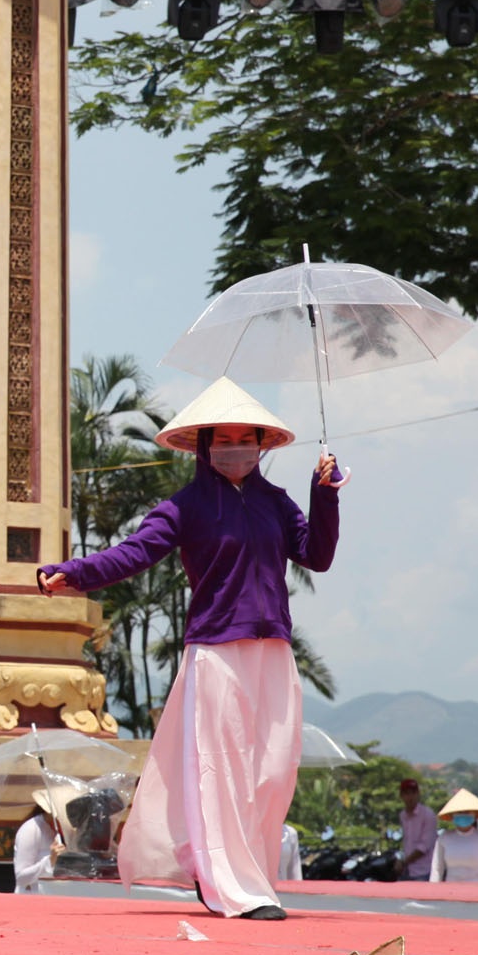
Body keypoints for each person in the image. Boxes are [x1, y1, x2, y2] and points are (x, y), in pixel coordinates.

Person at [38, 378, 341, 920]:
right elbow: (133, 554)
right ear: (203, 447)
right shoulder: (186, 506)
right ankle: (232, 887)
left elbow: (317, 556)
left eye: (244, 439)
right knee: (222, 771)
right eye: (222, 440)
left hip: (273, 648)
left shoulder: (277, 502)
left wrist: (325, 495)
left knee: (272, 773)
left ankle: (236, 873)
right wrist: (73, 574)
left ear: (259, 443)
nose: (234, 449)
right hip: (217, 650)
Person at [430, 788, 478, 883]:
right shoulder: (444, 838)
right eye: (459, 812)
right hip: (451, 890)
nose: (463, 814)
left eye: (467, 812)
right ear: (453, 815)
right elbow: (437, 869)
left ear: (474, 815)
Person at [13, 791, 64, 895]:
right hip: (32, 899)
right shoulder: (31, 829)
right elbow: (21, 877)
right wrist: (50, 860)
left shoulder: (63, 830)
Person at [397, 778, 436, 881]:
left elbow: (424, 846)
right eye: (407, 793)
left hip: (423, 870)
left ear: (418, 794)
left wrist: (405, 862)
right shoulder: (403, 815)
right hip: (408, 869)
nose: (410, 797)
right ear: (401, 796)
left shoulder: (428, 815)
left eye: (413, 793)